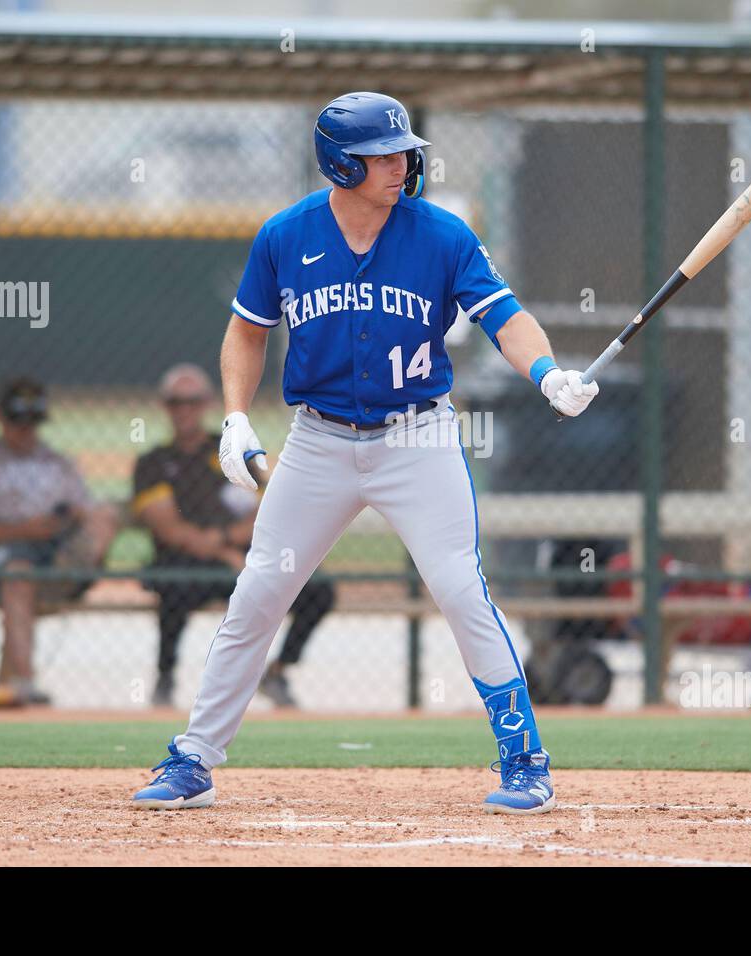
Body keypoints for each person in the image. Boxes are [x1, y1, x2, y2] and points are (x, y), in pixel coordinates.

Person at [133, 91, 597, 815]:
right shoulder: (286, 235)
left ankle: (525, 760)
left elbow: (505, 317)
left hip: (417, 437)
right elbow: (247, 330)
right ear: (339, 162)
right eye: (382, 154)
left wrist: (549, 373)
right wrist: (233, 418)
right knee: (259, 592)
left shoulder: (443, 235)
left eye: (403, 151)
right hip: (318, 441)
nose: (402, 163)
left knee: (459, 588)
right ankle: (193, 757)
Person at [133, 363, 335, 707]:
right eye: (175, 402)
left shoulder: (229, 450)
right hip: (188, 564)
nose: (184, 409)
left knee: (318, 590)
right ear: (165, 406)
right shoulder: (154, 461)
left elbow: (269, 506)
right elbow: (169, 528)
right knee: (173, 587)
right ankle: (166, 676)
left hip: (245, 559)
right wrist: (223, 553)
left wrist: (228, 542)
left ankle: (278, 671)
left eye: (192, 401)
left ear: (208, 402)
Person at [0, 377, 120, 708]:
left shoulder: (59, 464)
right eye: (18, 421)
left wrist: (69, 518)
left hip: (56, 559)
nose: (26, 430)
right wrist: (24, 530)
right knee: (18, 572)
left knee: (105, 515)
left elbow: (85, 512)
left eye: (33, 421)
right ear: (0, 417)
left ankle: (76, 576)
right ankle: (23, 683)